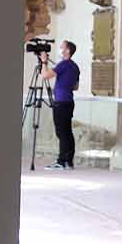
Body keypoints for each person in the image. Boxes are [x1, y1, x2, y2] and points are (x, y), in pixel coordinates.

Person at [41, 40, 80, 170]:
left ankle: (61, 161)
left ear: (67, 50)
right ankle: (69, 160)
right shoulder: (75, 67)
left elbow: (45, 75)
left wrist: (44, 62)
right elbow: (75, 87)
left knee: (61, 132)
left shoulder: (63, 65)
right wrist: (63, 85)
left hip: (61, 102)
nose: (60, 49)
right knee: (67, 131)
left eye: (62, 47)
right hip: (69, 102)